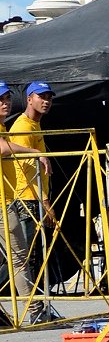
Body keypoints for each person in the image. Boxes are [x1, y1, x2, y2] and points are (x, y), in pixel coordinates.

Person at [0, 81, 53, 327]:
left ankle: (36, 308)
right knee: (21, 259)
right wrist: (34, 151)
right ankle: (36, 310)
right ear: (30, 98)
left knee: (18, 258)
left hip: (10, 200)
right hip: (17, 200)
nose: (5, 103)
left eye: (8, 98)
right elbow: (4, 150)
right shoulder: (20, 126)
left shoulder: (9, 125)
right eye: (1, 99)